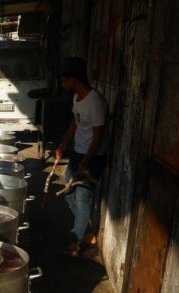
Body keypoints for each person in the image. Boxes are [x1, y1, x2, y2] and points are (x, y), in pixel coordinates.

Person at [55, 57, 109, 257]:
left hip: (93, 157)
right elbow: (74, 123)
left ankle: (74, 243)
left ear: (74, 80)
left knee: (82, 197)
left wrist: (85, 163)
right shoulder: (77, 98)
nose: (63, 84)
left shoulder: (96, 102)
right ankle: (85, 232)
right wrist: (63, 145)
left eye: (64, 80)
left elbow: (98, 136)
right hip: (79, 152)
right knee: (69, 193)